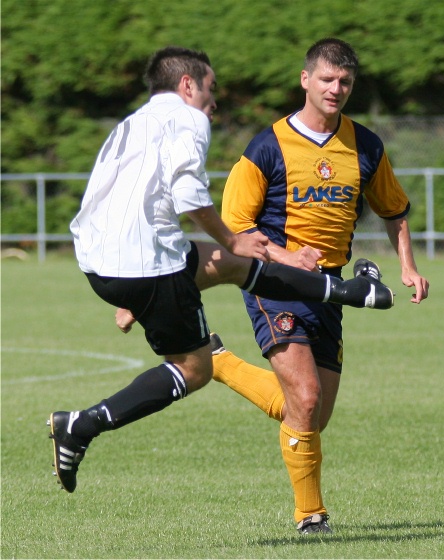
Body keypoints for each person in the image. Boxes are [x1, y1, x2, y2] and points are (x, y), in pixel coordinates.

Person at [48, 45, 396, 495]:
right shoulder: (189, 118)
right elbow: (188, 192)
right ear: (187, 85)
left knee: (233, 267)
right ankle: (81, 425)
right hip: (146, 260)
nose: (214, 101)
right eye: (210, 89)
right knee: (195, 370)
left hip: (103, 258)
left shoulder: (134, 123)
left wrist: (138, 296)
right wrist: (230, 237)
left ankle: (346, 292)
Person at [212, 38, 430, 534]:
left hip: (331, 289)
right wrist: (289, 256)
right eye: (327, 79)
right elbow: (233, 226)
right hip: (272, 282)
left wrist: (409, 267)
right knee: (305, 399)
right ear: (305, 80)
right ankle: (311, 515)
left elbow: (393, 210)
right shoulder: (266, 146)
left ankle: (219, 364)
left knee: (310, 413)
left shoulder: (366, 145)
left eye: (345, 81)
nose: (336, 88)